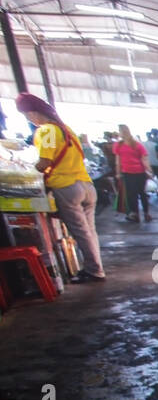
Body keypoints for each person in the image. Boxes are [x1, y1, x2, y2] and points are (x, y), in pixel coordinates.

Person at [15, 92, 106, 283]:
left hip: (67, 187)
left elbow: (45, 161)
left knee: (81, 231)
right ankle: (95, 267)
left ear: (33, 113)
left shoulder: (47, 131)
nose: (29, 119)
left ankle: (94, 270)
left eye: (27, 115)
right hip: (86, 184)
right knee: (89, 230)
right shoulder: (67, 130)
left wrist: (27, 170)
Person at [113, 125, 152, 222]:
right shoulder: (137, 145)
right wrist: (149, 171)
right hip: (140, 172)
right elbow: (144, 159)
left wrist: (118, 173)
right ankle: (146, 214)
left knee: (131, 195)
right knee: (142, 193)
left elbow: (118, 161)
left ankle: (135, 215)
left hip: (127, 173)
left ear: (121, 132)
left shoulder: (119, 145)